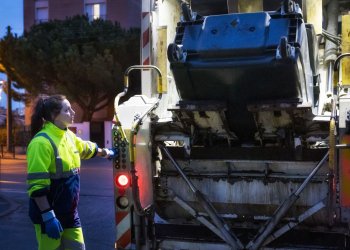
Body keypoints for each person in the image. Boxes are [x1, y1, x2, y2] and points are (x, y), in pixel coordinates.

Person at [26, 94, 116, 250]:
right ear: (54, 115)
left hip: (69, 213)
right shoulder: (41, 143)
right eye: (67, 110)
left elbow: (85, 148)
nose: (73, 112)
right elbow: (37, 186)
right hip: (48, 216)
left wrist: (106, 152)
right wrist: (48, 217)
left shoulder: (68, 135)